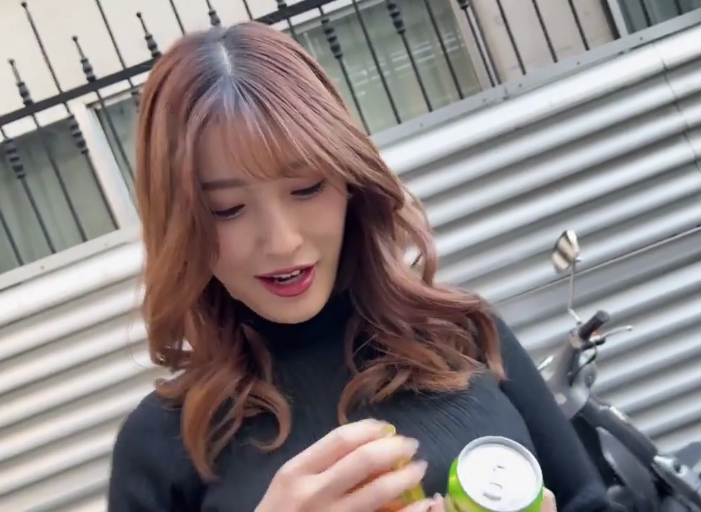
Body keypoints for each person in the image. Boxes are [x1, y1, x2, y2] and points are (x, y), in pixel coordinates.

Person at [107, 20, 625, 512]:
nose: (283, 241)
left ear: (351, 181)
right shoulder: (160, 446)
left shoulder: (461, 333)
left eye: (307, 188)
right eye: (227, 209)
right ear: (180, 226)